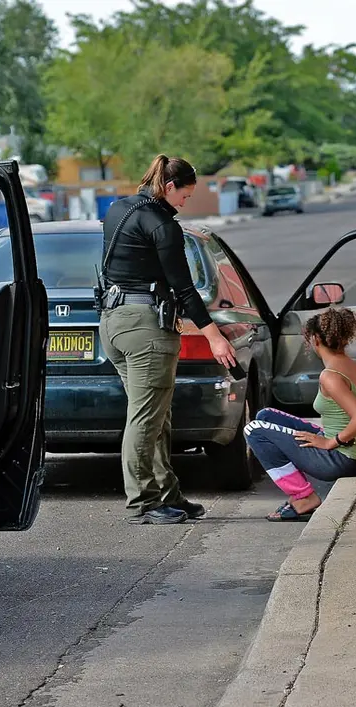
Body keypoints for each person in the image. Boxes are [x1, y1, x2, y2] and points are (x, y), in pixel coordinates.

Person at [99, 154, 237, 525]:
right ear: (170, 186)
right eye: (185, 197)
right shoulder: (162, 224)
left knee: (156, 415)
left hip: (114, 323)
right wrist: (214, 336)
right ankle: (143, 502)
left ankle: (168, 494)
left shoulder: (119, 209)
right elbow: (184, 288)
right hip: (145, 328)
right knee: (146, 418)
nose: (184, 204)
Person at [244, 307, 356, 521]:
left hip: (338, 458)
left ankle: (303, 497)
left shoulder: (330, 376)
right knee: (266, 416)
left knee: (253, 430)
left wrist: (329, 443)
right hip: (353, 453)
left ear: (315, 339)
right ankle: (301, 494)